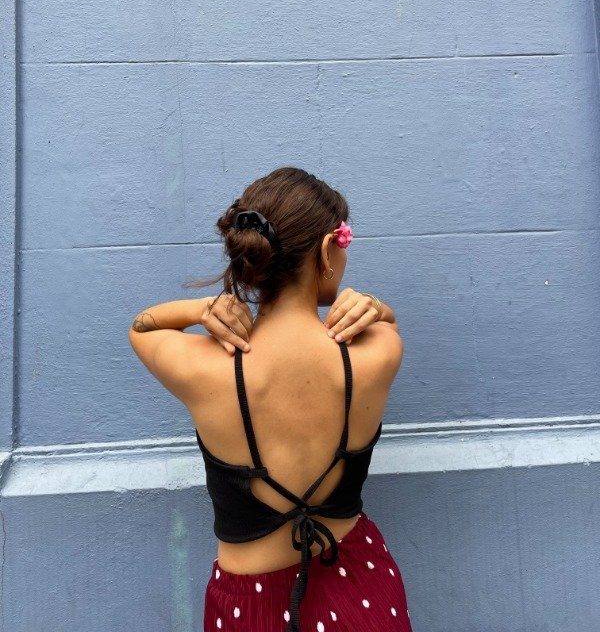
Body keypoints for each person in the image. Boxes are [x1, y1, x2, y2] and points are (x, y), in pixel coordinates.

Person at [128, 166, 413, 631]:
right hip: (360, 584)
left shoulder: (203, 369)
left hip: (249, 608)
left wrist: (200, 309)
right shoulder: (376, 354)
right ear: (328, 249)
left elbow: (142, 327)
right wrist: (375, 307)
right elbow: (390, 325)